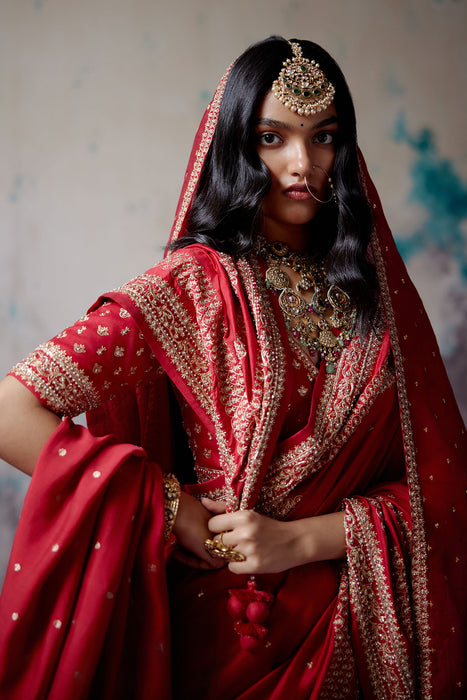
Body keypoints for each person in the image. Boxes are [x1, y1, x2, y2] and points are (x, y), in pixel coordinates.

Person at [0, 36, 465, 699]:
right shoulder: (192, 287)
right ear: (234, 148)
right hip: (229, 643)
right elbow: (9, 411)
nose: (302, 162)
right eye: (271, 138)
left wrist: (298, 542)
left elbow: (440, 492)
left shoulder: (372, 297)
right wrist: (176, 511)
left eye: (323, 136)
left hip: (359, 635)